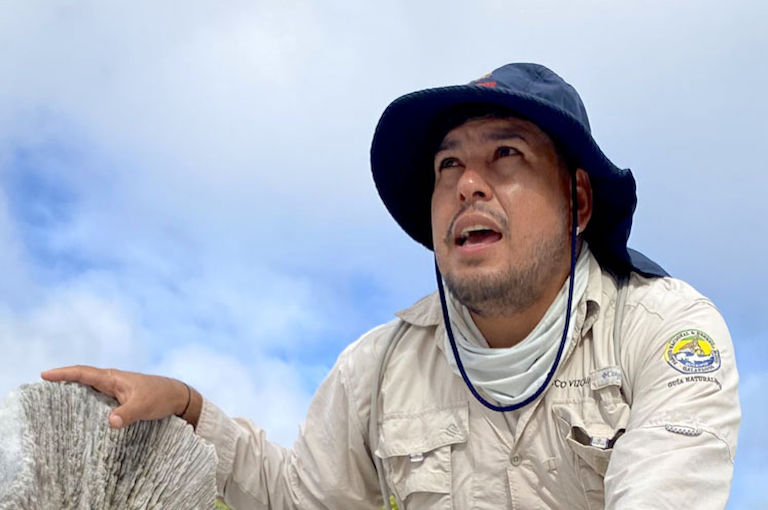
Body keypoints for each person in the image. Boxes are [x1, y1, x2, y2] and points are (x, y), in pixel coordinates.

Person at [42, 63, 740, 509]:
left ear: (579, 203)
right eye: (447, 167)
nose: (469, 183)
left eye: (507, 155)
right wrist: (189, 408)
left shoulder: (665, 328)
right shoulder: (378, 368)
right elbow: (301, 498)